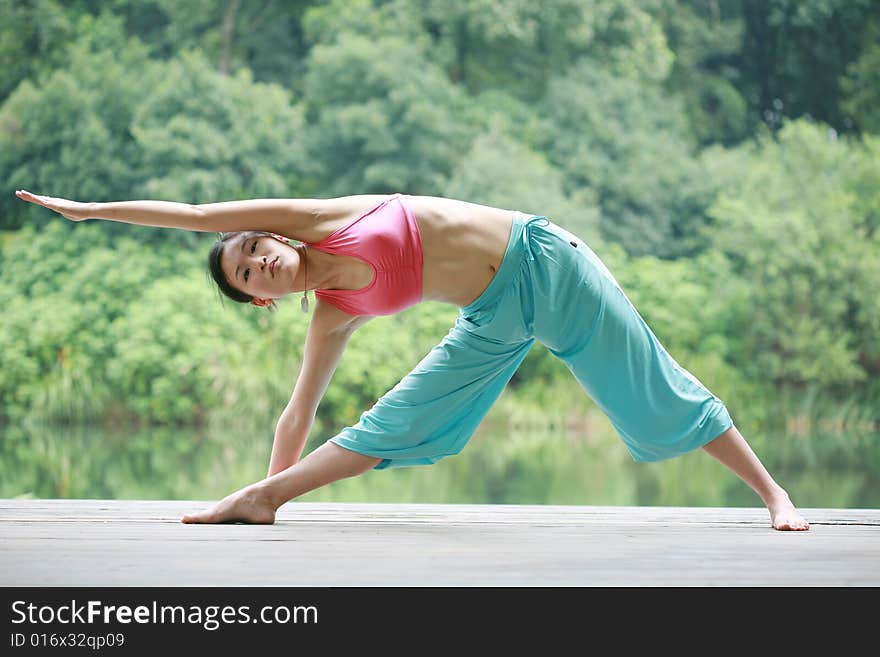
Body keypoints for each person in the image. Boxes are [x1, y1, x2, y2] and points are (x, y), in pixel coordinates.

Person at [14, 188, 809, 530]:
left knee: (651, 388)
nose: (263, 261)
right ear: (260, 297)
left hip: (548, 263)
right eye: (250, 273)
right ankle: (261, 500)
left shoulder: (323, 218)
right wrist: (272, 484)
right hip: (491, 317)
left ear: (276, 236)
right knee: (395, 419)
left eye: (257, 247)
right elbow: (298, 408)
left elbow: (195, 214)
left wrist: (91, 211)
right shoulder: (329, 315)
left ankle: (773, 492)